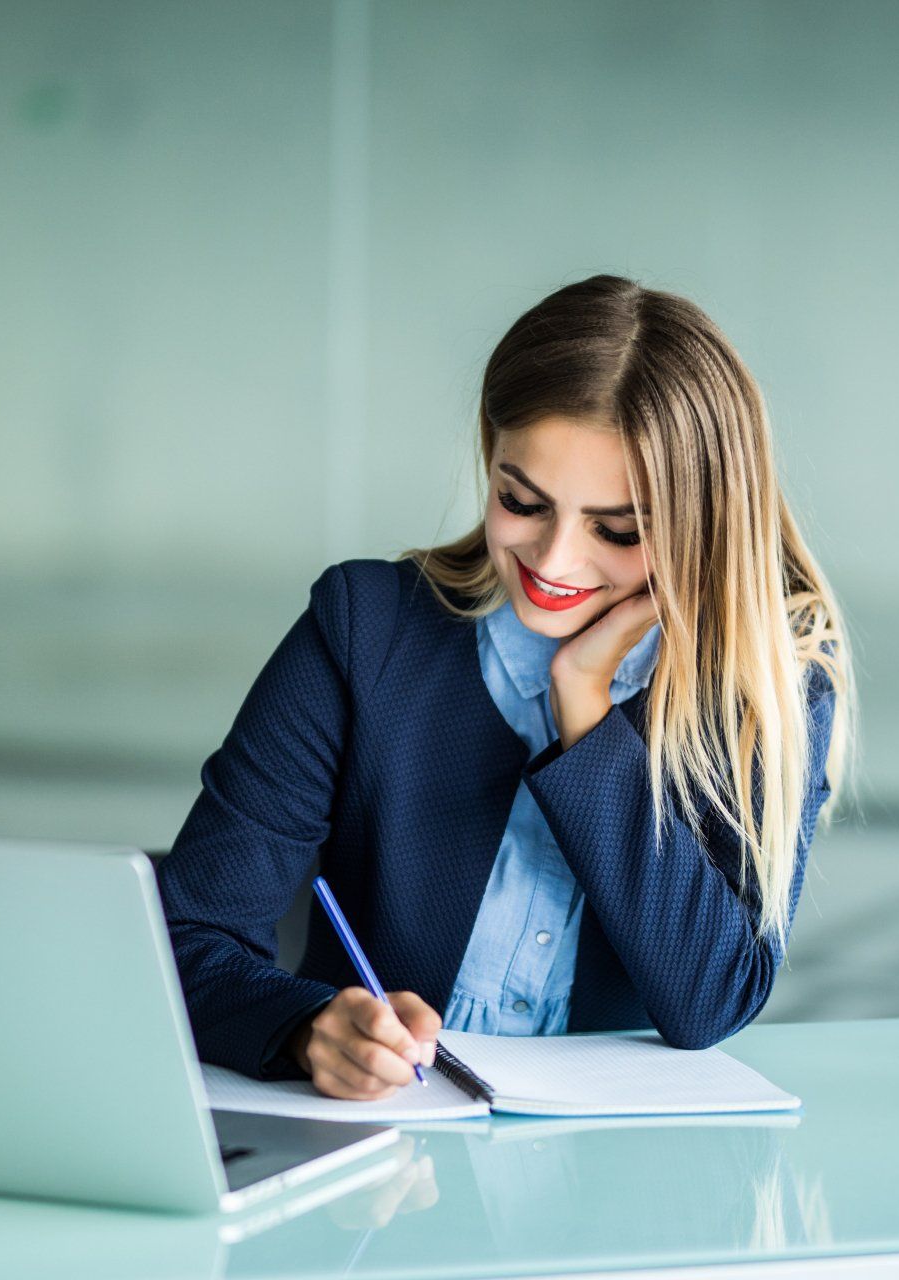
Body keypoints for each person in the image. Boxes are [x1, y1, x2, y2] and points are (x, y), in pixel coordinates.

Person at [157, 274, 854, 1102]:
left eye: (618, 529)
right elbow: (189, 932)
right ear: (489, 454)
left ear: (704, 520)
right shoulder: (366, 630)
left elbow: (709, 999)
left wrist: (587, 708)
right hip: (381, 1167)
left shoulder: (766, 689)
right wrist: (310, 1026)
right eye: (521, 501)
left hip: (623, 1184)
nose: (554, 562)